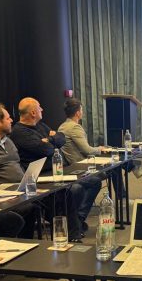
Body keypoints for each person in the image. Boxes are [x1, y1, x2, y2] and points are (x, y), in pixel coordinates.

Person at [0, 103, 86, 241]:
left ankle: (70, 238)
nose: (12, 120)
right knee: (30, 207)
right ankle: (32, 242)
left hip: (22, 188)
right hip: (1, 194)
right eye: (8, 118)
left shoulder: (8, 142)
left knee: (62, 193)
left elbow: (18, 164)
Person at [11, 98, 99, 234]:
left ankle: (76, 222)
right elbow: (46, 150)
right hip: (39, 177)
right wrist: (52, 141)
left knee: (90, 183)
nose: (42, 109)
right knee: (75, 189)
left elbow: (61, 138)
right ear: (33, 113)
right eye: (39, 107)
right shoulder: (19, 132)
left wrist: (48, 140)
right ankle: (71, 227)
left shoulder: (41, 125)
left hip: (56, 171)